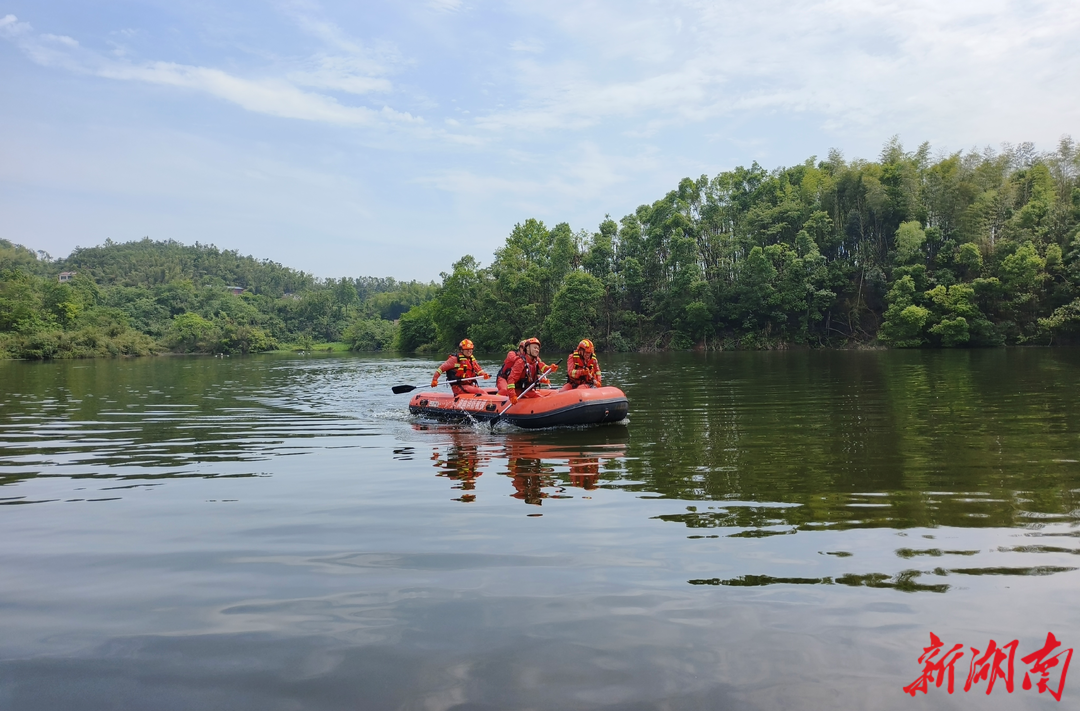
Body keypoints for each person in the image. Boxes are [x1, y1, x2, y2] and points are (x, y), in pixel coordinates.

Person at [506, 337, 557, 404]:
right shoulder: (520, 362)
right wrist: (512, 395)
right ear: (527, 348)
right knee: (539, 398)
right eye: (535, 348)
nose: (537, 350)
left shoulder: (536, 360)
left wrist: (551, 368)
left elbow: (544, 368)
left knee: (539, 396)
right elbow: (511, 379)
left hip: (528, 389)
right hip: (520, 390)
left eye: (538, 348)